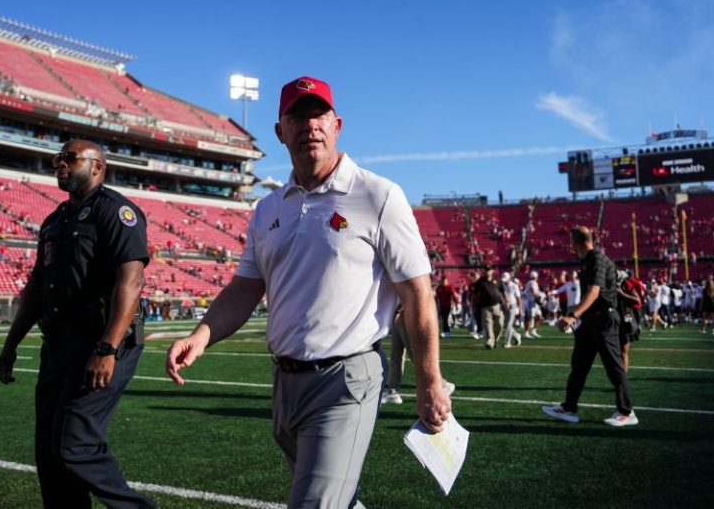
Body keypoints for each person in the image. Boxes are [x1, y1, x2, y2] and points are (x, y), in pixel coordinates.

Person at [165, 76, 452, 509]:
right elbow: (245, 288)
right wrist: (200, 335)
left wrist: (429, 381)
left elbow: (418, 294)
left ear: (337, 125)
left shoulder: (378, 195)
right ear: (280, 131)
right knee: (338, 500)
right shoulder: (267, 208)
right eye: (297, 117)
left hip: (347, 379)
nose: (310, 125)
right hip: (285, 381)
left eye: (319, 115)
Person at [0, 139, 155, 508]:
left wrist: (107, 348)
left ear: (97, 166)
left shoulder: (115, 211)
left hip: (101, 340)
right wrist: (10, 344)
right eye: (58, 158)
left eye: (69, 158)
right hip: (59, 343)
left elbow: (131, 281)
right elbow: (36, 287)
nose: (60, 164)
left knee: (74, 444)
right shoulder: (55, 220)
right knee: (49, 453)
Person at [542, 226, 638, 427]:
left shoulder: (597, 259)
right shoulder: (588, 260)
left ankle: (627, 411)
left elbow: (594, 292)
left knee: (614, 366)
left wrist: (572, 315)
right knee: (579, 365)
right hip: (590, 320)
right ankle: (569, 408)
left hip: (604, 319)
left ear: (575, 242)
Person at [381, 306, 456, 404]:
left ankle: (443, 384)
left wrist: (398, 310)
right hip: (399, 315)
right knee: (396, 356)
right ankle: (392, 391)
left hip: (407, 314)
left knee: (416, 356)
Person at [474, 265, 505, 349]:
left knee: (500, 324)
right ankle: (490, 342)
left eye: (489, 270)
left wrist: (506, 302)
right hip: (485, 306)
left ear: (492, 271)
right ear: (483, 271)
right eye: (486, 270)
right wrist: (474, 304)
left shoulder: (497, 280)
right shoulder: (480, 282)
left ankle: (495, 340)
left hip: (497, 305)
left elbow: (503, 291)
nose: (487, 272)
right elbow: (475, 294)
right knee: (488, 325)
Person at [616, 270, 641, 372]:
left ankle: (623, 377)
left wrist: (621, 294)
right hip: (614, 316)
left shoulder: (627, 284)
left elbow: (637, 300)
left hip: (627, 314)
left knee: (624, 349)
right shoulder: (610, 284)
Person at [500, 272, 522, 347]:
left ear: (509, 278)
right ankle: (517, 335)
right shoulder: (502, 285)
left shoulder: (514, 286)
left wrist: (520, 309)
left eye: (505, 279)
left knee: (509, 324)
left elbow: (518, 298)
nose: (504, 281)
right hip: (504, 306)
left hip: (512, 306)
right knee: (505, 325)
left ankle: (507, 342)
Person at [523, 271, 542, 339]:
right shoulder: (532, 282)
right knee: (529, 317)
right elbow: (533, 291)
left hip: (534, 302)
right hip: (530, 301)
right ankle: (526, 333)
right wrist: (540, 297)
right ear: (536, 277)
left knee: (539, 316)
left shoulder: (532, 282)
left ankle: (533, 331)